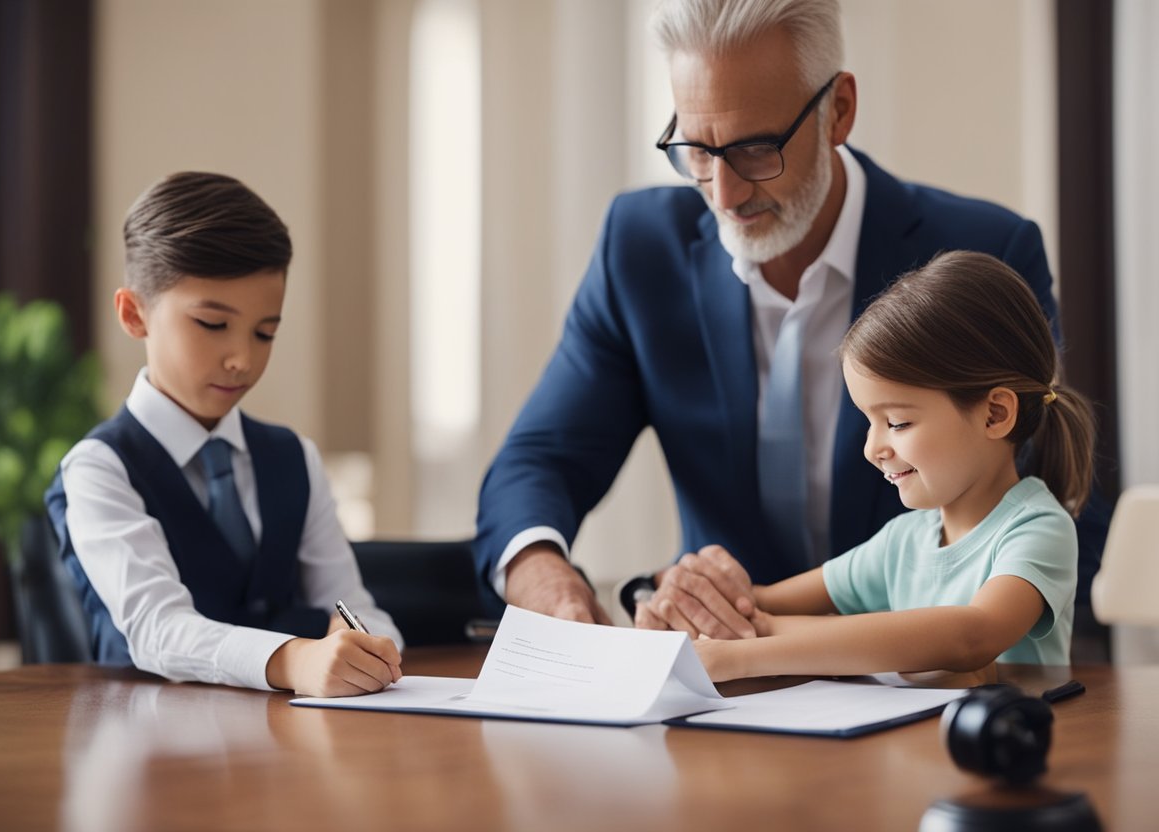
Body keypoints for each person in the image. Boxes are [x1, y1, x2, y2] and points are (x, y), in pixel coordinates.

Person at [473, 0, 1106, 634]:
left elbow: (1045, 484)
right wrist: (550, 582)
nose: (723, 194)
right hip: (724, 683)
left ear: (839, 111)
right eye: (695, 149)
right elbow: (542, 458)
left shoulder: (982, 252)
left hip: (934, 680)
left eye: (753, 148)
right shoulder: (640, 249)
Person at [45, 172, 402, 696]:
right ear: (133, 313)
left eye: (266, 333)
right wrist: (296, 661)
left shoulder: (292, 457)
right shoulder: (100, 468)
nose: (243, 359)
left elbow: (349, 600)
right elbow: (157, 629)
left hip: (285, 745)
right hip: (146, 747)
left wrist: (365, 646)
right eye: (213, 325)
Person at [693, 250, 1094, 680]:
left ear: (995, 415)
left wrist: (746, 651)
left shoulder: (1038, 528)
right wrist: (699, 591)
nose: (872, 448)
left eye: (897, 422)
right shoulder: (902, 542)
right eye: (869, 422)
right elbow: (760, 604)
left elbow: (970, 637)